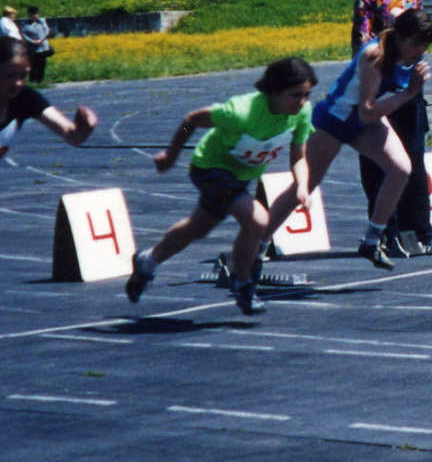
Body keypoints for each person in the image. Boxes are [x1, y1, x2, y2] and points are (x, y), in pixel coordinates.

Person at [125, 57, 316, 315]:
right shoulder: (241, 112)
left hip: (239, 176)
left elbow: (299, 157)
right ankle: (243, 284)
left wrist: (302, 187)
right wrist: (170, 156)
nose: (302, 102)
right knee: (257, 219)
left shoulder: (302, 113)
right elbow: (192, 119)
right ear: (274, 89)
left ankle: (147, 261)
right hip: (209, 167)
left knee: (198, 228)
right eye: (295, 95)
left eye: (306, 95)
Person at [264, 9, 432, 270]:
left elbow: (370, 114)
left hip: (364, 122)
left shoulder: (412, 52)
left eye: (425, 44)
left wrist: (409, 89)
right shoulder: (374, 55)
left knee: (401, 169)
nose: (420, 50)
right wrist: (411, 91)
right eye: (415, 43)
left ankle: (372, 240)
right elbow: (367, 111)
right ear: (400, 37)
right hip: (335, 120)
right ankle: (256, 247)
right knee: (303, 187)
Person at [346, 0, 432, 253]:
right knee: (413, 155)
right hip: (411, 77)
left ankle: (386, 230)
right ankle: (420, 229)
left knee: (377, 159)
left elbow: (362, 42)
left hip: (379, 81)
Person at [0, 35, 96, 160]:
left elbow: (72, 137)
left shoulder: (25, 98)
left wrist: (84, 129)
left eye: (23, 75)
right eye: (10, 75)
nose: (18, 82)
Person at [19, 7, 52, 84]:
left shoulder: (41, 21)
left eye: (35, 14)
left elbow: (46, 31)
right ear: (29, 15)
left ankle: (40, 80)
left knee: (42, 64)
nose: (34, 15)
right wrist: (32, 41)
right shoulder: (24, 23)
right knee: (33, 64)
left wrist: (41, 39)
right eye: (32, 14)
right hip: (32, 47)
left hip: (42, 46)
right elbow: (23, 34)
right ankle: (32, 80)